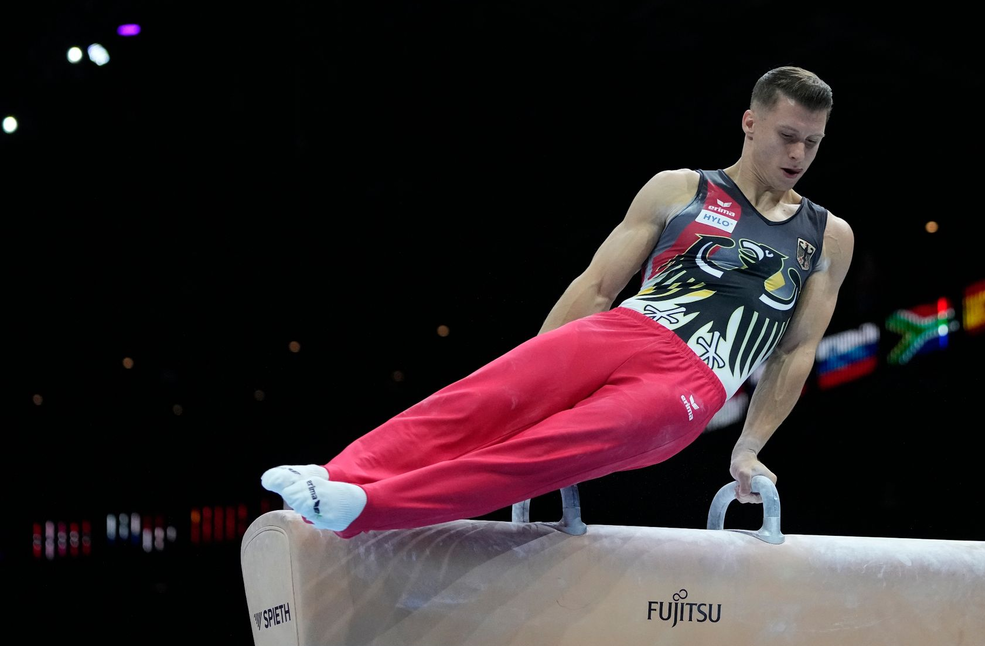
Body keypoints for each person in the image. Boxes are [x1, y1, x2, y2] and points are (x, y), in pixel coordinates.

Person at [260, 65, 855, 539]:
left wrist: (748, 449)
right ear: (750, 123)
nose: (799, 154)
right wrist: (536, 379)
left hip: (694, 379)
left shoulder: (825, 236)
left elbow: (795, 351)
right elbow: (597, 288)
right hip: (625, 329)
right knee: (484, 399)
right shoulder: (680, 188)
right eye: (787, 136)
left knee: (542, 451)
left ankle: (364, 507)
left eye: (813, 142)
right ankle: (336, 475)